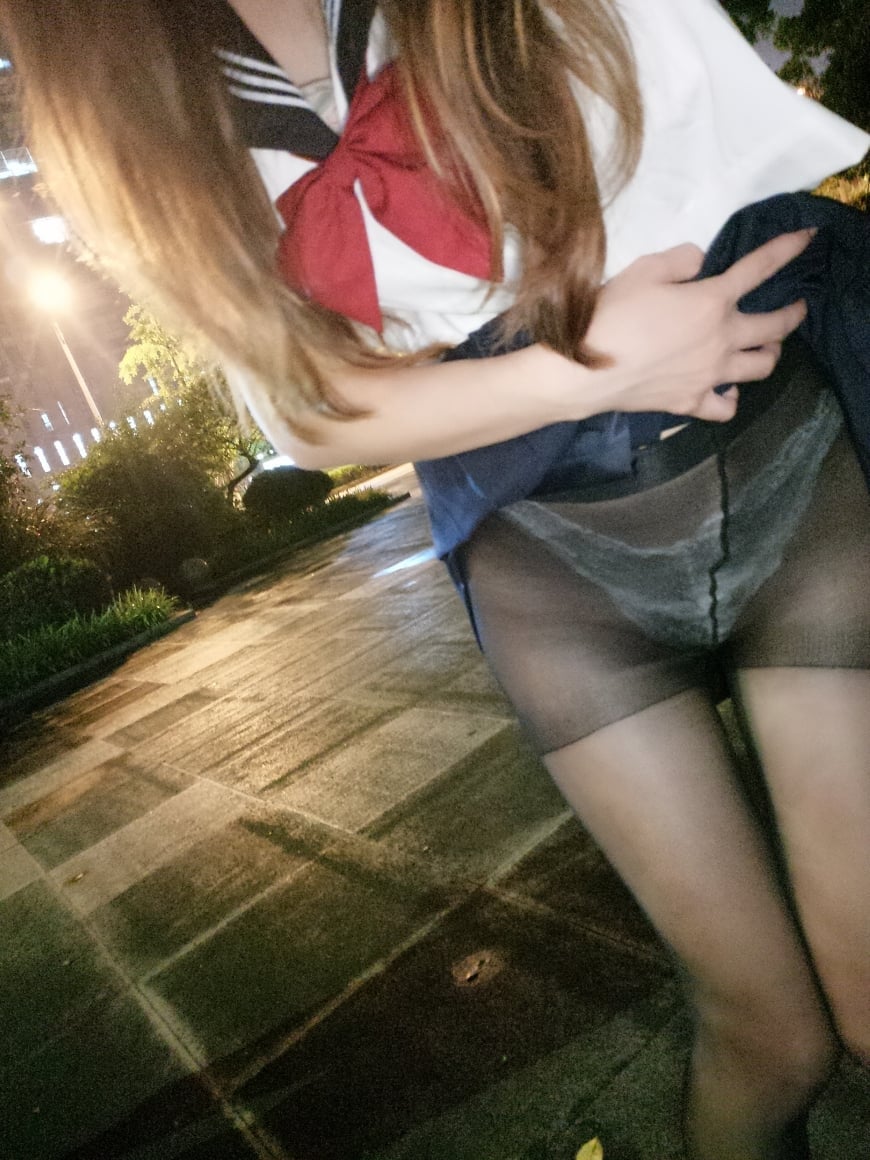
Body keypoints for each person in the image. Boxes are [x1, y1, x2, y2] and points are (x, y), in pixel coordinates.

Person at [3, 2, 868, 1157]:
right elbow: (306, 409)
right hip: (556, 570)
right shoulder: (143, 102)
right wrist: (592, 367)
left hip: (787, 473)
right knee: (772, 1037)